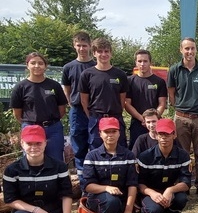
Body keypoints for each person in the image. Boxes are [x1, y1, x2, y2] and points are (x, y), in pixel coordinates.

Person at [2, 125, 76, 213]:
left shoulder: (59, 166)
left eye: (38, 143)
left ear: (45, 143)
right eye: (29, 143)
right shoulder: (12, 170)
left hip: (53, 211)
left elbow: (66, 195)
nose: (34, 147)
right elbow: (10, 199)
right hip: (26, 210)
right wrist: (36, 210)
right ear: (22, 143)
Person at [82, 117, 138, 213]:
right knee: (111, 201)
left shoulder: (128, 155)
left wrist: (129, 210)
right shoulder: (92, 156)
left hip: (122, 200)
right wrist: (106, 188)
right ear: (100, 133)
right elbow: (87, 185)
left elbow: (132, 184)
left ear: (119, 133)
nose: (110, 135)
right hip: (98, 199)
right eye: (107, 131)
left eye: (114, 131)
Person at [167, 37, 198, 192]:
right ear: (181, 50)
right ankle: (184, 185)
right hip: (181, 117)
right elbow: (171, 94)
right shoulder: (174, 70)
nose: (190, 52)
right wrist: (180, 109)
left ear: (196, 50)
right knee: (182, 153)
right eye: (186, 49)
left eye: (192, 48)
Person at [10, 52, 68, 162]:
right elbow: (17, 114)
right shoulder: (20, 87)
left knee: (56, 160)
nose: (37, 66)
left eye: (40, 63)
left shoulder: (54, 85)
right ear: (27, 65)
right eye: (33, 63)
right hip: (30, 128)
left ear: (45, 66)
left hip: (53, 129)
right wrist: (30, 124)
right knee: (31, 161)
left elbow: (61, 110)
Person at [137, 118, 191, 213]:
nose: (163, 138)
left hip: (169, 191)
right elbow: (139, 184)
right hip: (149, 192)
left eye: (167, 134)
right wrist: (152, 193)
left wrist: (170, 190)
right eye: (160, 134)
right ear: (156, 135)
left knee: (182, 198)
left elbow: (186, 183)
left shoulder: (183, 155)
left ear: (174, 135)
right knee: (153, 210)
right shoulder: (145, 156)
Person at [79, 37, 128, 148]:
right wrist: (92, 116)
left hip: (115, 117)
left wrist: (116, 112)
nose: (103, 54)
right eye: (100, 51)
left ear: (111, 53)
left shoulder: (120, 74)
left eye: (106, 51)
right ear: (94, 53)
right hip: (96, 119)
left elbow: (122, 99)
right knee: (96, 149)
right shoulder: (87, 74)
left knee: (119, 149)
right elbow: (84, 100)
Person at [62, 31, 96, 180]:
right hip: (77, 112)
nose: (82, 49)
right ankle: (84, 182)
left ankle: (96, 178)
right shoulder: (68, 67)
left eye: (85, 45)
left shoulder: (96, 65)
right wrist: (72, 103)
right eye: (79, 45)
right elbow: (67, 90)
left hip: (95, 110)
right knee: (79, 146)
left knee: (96, 144)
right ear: (74, 46)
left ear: (90, 46)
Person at [125, 49, 167, 150]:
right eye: (139, 61)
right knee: (136, 153)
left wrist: (153, 119)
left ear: (150, 63)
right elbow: (127, 103)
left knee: (157, 152)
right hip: (137, 123)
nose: (142, 64)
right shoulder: (130, 81)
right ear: (136, 62)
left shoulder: (159, 81)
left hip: (155, 124)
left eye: (145, 61)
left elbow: (162, 103)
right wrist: (142, 118)